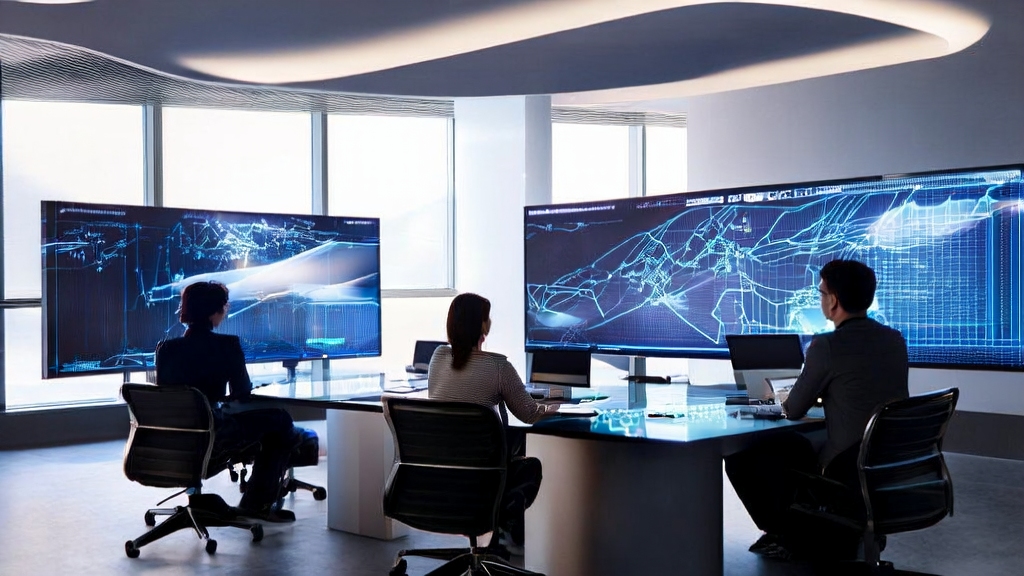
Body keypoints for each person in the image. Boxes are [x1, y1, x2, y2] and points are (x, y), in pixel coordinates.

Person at [724, 260, 909, 560]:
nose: (821, 299)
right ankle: (815, 530)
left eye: (821, 293)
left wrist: (775, 399)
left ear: (833, 300)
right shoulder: (895, 340)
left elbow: (794, 409)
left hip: (847, 464)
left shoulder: (827, 346)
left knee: (745, 458)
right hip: (886, 459)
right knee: (794, 445)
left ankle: (788, 535)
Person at [155, 281, 298, 522]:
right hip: (213, 436)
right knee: (280, 420)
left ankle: (257, 493)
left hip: (173, 442)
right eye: (224, 307)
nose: (226, 311)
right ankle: (257, 503)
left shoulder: (165, 349)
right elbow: (242, 392)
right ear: (215, 312)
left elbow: (169, 397)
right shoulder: (227, 345)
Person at [427, 293, 558, 553]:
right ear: (483, 325)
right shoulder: (498, 366)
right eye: (487, 317)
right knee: (528, 464)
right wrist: (554, 408)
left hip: (439, 475)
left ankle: (501, 533)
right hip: (483, 479)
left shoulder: (438, 357)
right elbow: (529, 414)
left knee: (509, 443)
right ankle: (506, 525)